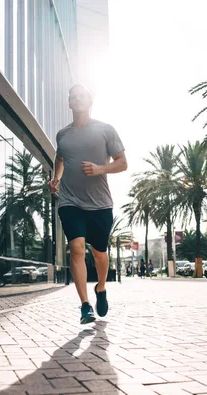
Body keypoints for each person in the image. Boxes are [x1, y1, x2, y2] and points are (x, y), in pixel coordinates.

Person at [49, 84, 127, 324]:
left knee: (100, 254)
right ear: (69, 103)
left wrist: (100, 169)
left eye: (82, 96)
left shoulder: (105, 130)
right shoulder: (62, 134)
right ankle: (84, 305)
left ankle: (100, 288)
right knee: (77, 248)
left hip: (100, 204)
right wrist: (56, 178)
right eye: (74, 96)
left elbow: (123, 163)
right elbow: (60, 157)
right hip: (70, 201)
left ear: (89, 101)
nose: (78, 99)